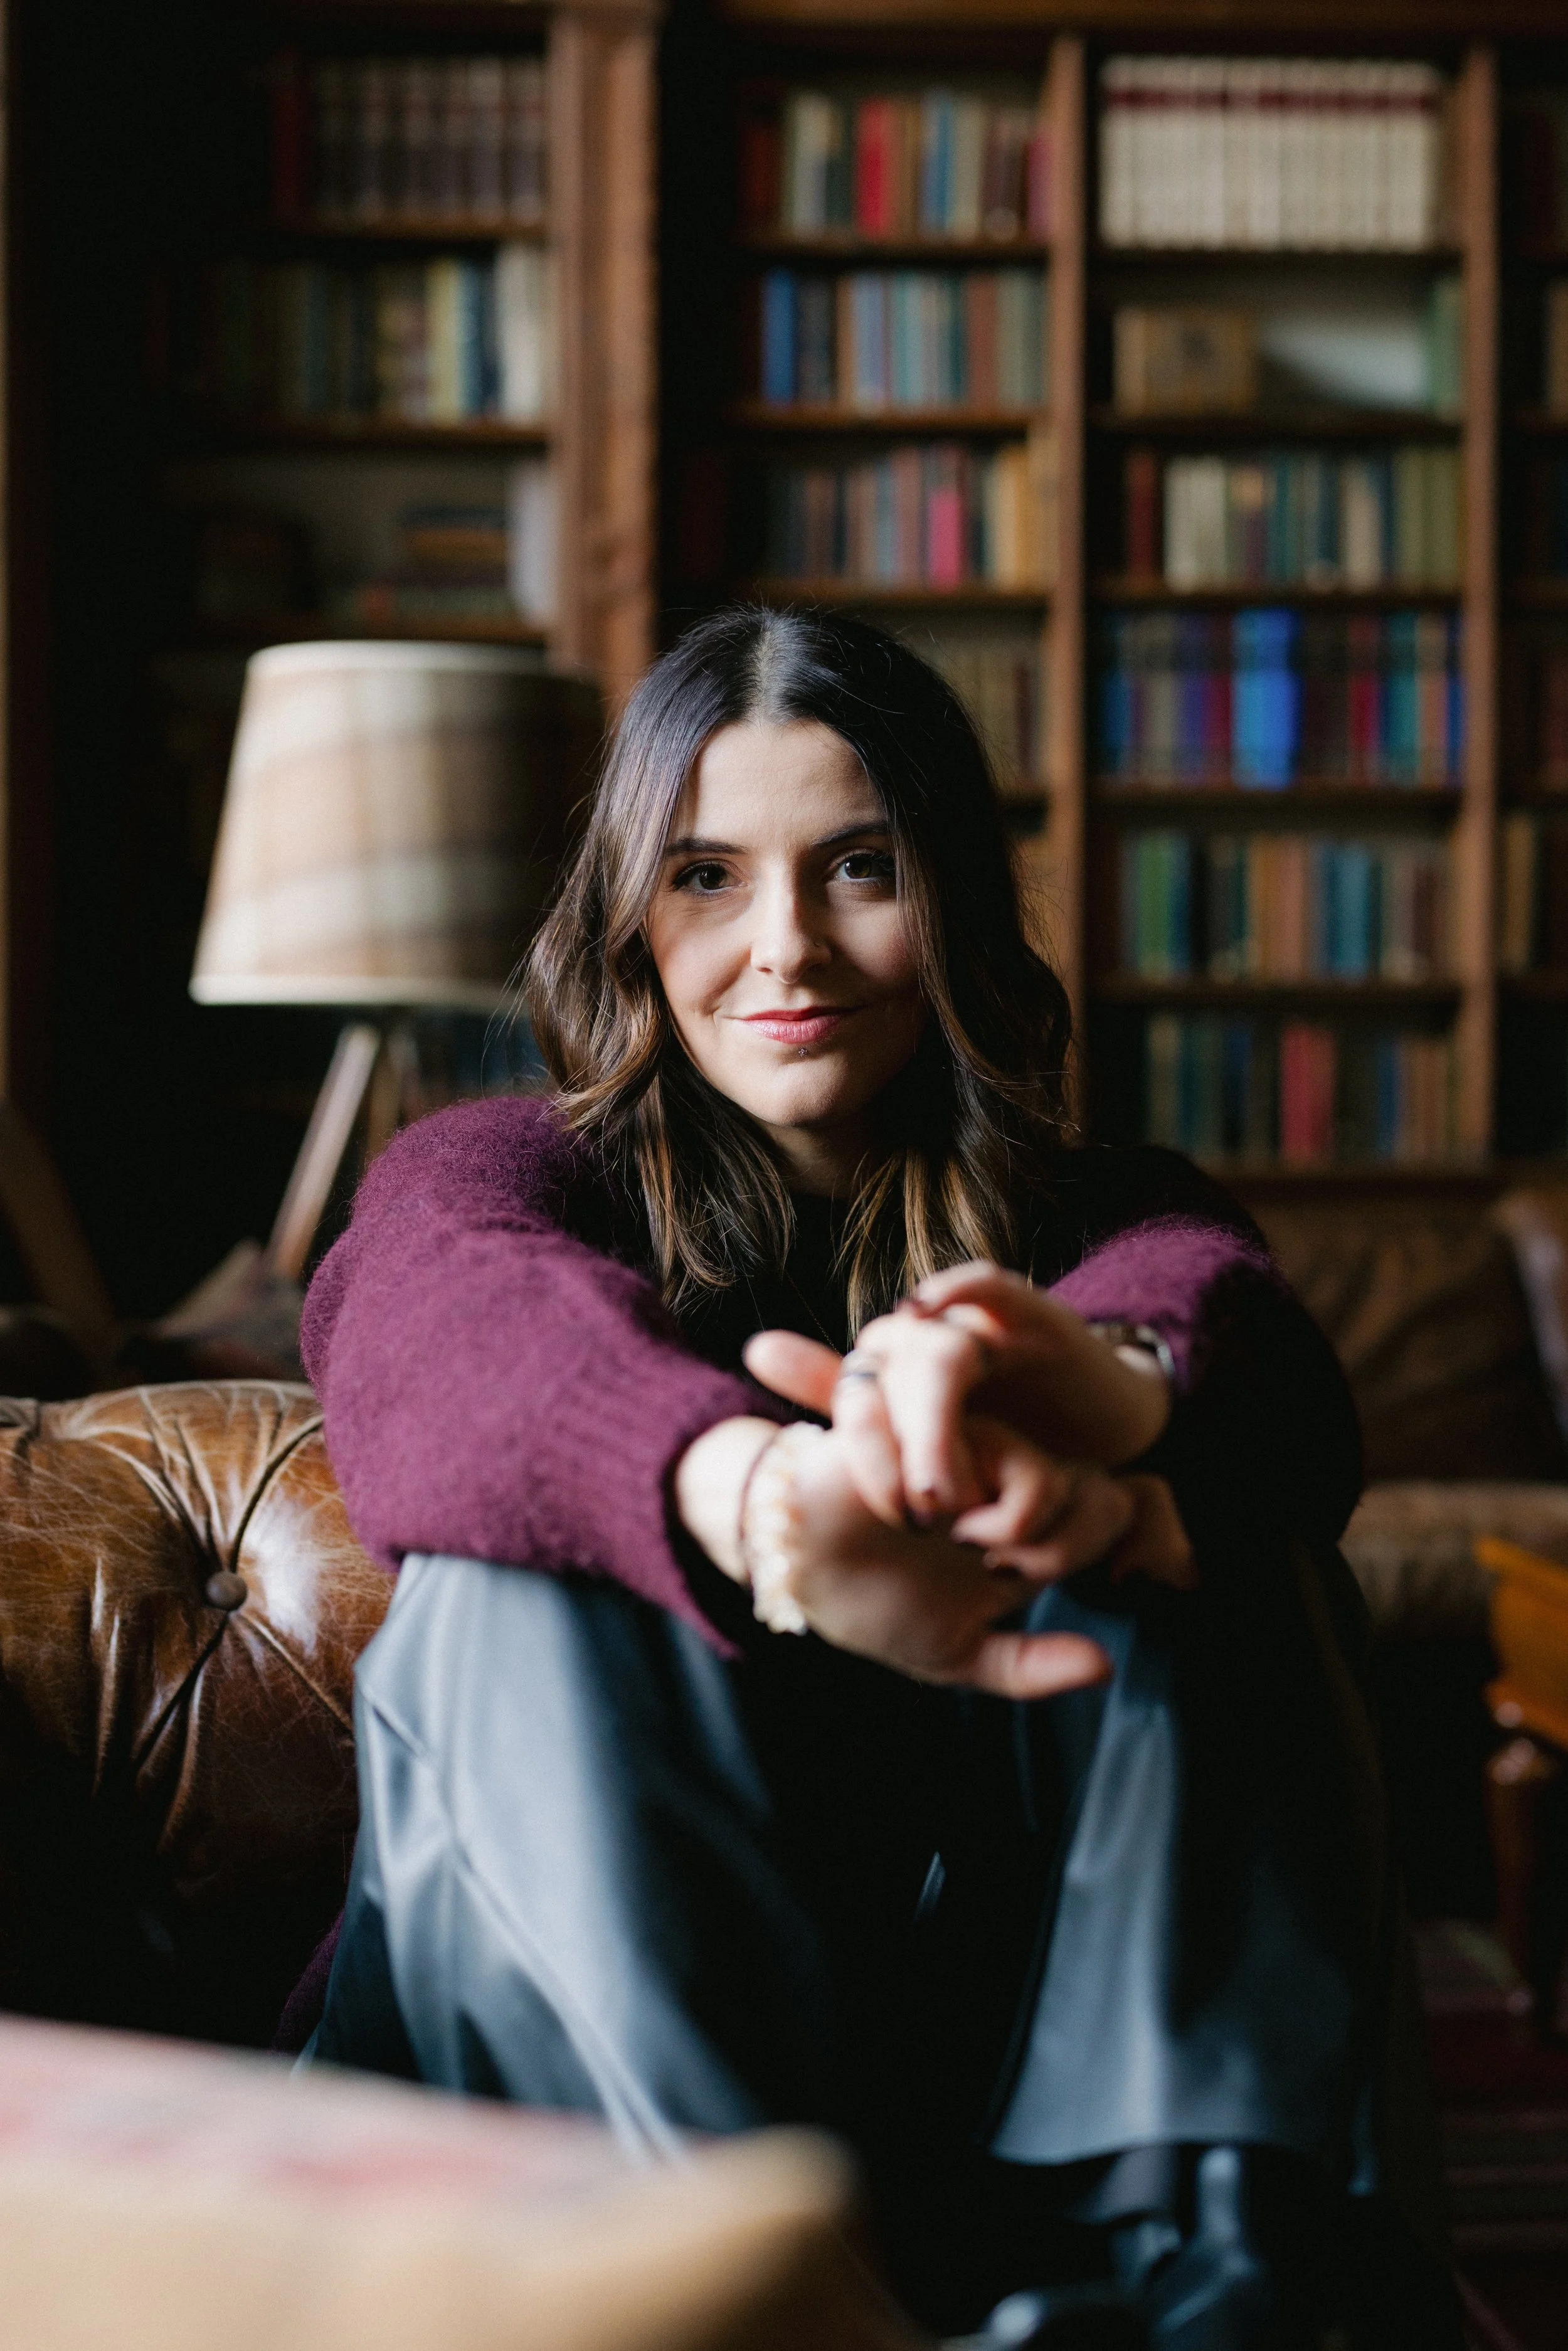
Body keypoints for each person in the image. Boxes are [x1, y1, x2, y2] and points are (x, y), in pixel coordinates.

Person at [300, 608, 1458, 2348]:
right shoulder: (503, 1173)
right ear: (627, 915)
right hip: (563, 2092)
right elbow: (436, 1330)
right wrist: (765, 1502)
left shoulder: (1097, 1206)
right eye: (703, 874)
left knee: (1217, 1532)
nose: (786, 946)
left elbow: (1259, 1370)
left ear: (953, 903)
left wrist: (1097, 1397)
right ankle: (727, 2283)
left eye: (859, 866)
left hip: (979, 2061)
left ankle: (1220, 2262)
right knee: (509, 1585)